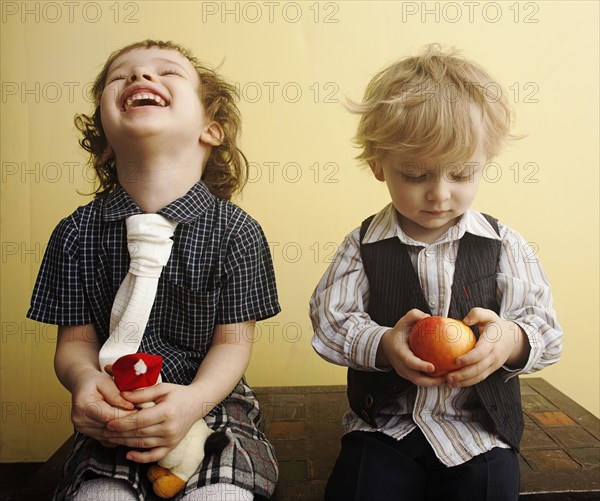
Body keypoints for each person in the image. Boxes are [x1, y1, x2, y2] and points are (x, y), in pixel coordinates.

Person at [27, 40, 280, 501]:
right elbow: (75, 344)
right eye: (121, 76)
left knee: (221, 495)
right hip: (117, 406)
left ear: (211, 129)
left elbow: (232, 344)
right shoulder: (73, 235)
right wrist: (86, 382)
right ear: (103, 141)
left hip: (211, 398)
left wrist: (193, 401)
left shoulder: (238, 232)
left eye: (166, 72)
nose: (141, 77)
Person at [309, 44, 562, 501]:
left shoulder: (505, 245)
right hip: (384, 427)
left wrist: (507, 340)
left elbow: (545, 330)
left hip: (478, 433)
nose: (439, 194)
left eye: (461, 174)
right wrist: (383, 344)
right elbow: (330, 324)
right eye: (414, 174)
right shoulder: (363, 246)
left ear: (486, 164)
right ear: (377, 166)